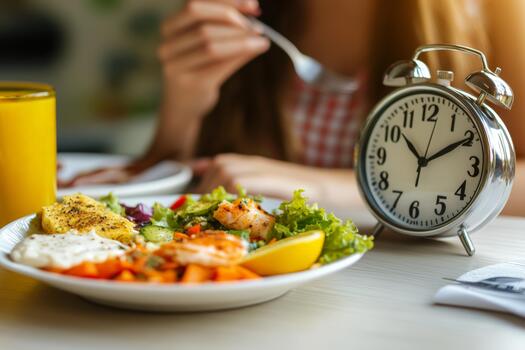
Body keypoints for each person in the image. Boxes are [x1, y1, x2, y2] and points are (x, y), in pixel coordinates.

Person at [69, 0, 525, 215]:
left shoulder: (493, 13)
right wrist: (185, 97)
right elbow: (189, 169)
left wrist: (331, 188)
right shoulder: (244, 13)